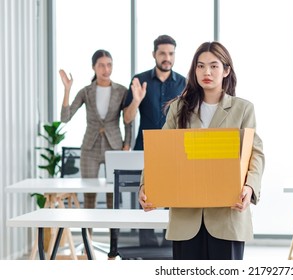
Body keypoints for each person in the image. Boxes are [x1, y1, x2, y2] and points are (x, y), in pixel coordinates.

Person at [135, 41, 265, 260]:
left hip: (227, 216)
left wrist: (250, 187)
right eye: (200, 66)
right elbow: (161, 152)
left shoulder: (243, 109)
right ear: (194, 70)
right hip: (186, 218)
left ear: (226, 70)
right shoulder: (179, 107)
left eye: (214, 66)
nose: (207, 72)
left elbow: (255, 153)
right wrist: (146, 186)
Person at [123, 34, 186, 247]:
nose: (167, 57)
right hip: (144, 149)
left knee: (175, 196)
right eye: (162, 53)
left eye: (171, 53)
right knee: (146, 197)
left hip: (174, 150)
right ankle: (147, 247)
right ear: (154, 55)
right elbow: (127, 118)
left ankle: (171, 245)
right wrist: (137, 100)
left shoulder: (184, 83)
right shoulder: (139, 80)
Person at [60, 49, 132, 211]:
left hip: (114, 146)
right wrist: (67, 90)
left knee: (112, 194)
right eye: (101, 65)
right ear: (93, 67)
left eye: (109, 65)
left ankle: (113, 236)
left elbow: (128, 121)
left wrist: (127, 144)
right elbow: (65, 117)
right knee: (89, 194)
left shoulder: (121, 91)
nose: (106, 69)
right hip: (89, 148)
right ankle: (89, 235)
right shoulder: (86, 91)